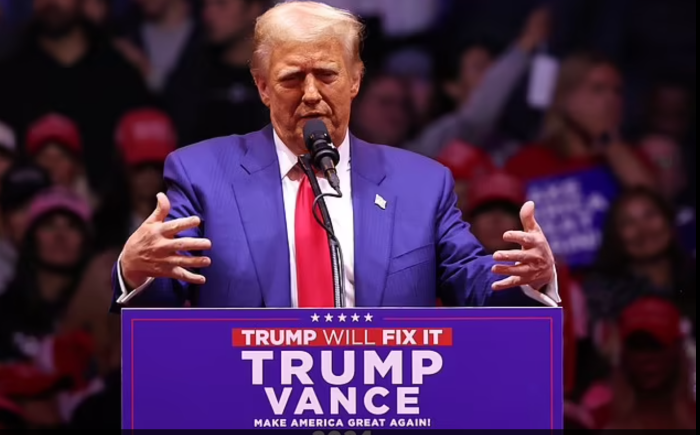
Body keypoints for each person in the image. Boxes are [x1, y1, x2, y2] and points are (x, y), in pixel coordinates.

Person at [112, 1, 559, 310]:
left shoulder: (421, 185)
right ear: (263, 87)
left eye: (327, 75)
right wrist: (136, 273)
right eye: (291, 78)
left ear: (355, 81)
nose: (311, 94)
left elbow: (475, 283)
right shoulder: (202, 176)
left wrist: (526, 278)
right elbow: (162, 306)